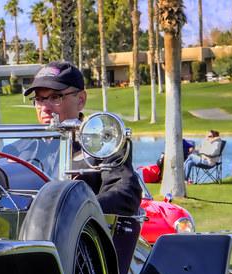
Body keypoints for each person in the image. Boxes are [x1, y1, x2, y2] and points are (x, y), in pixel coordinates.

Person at [11, 61, 142, 216]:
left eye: (55, 97)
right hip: (21, 236)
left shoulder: (104, 144)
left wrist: (76, 212)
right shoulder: (17, 150)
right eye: (39, 99)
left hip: (81, 235)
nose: (45, 107)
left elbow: (124, 193)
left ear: (80, 100)